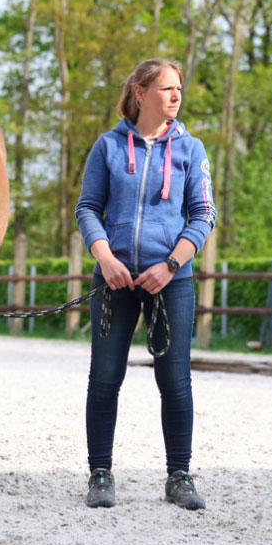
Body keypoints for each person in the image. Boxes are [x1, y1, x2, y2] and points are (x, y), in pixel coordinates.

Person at [75, 58, 217, 510]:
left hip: (170, 281)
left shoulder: (191, 150)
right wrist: (105, 257)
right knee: (104, 378)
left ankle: (179, 476)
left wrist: (171, 265)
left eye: (179, 88)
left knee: (175, 381)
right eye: (166, 88)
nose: (176, 96)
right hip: (114, 279)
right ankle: (100, 474)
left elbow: (204, 215)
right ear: (140, 93)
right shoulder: (108, 147)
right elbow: (87, 209)